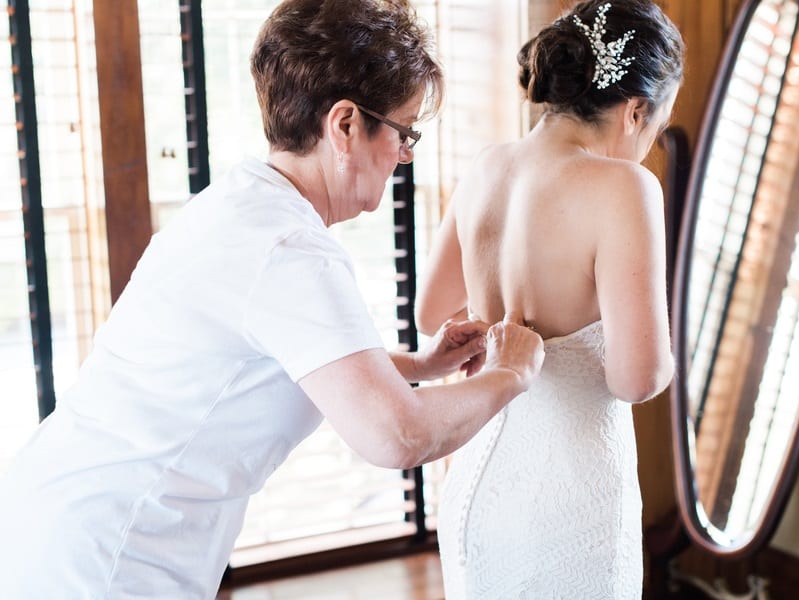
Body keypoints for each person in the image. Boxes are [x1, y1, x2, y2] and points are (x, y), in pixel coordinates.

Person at [0, 1, 544, 598]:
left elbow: (292, 362)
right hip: (107, 555)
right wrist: (511, 374)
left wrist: (421, 366)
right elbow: (397, 436)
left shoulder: (239, 202)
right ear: (344, 126)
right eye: (404, 131)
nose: (405, 155)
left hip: (58, 516)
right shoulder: (289, 248)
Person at [414, 1, 684, 597]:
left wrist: (506, 325)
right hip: (572, 495)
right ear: (636, 110)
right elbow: (637, 377)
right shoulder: (625, 187)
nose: (648, 146)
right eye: (657, 129)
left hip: (478, 479)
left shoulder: (487, 166)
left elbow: (432, 314)